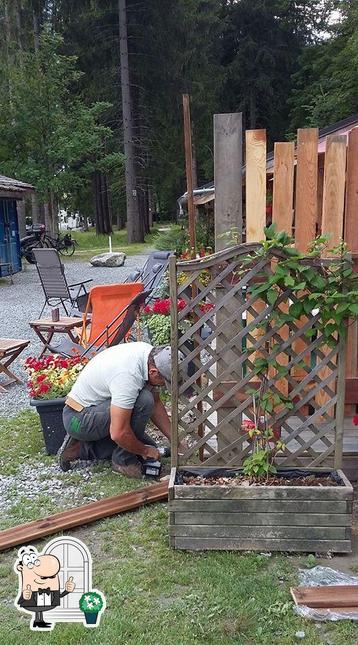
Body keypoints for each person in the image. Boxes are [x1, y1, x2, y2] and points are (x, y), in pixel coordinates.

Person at [59, 342, 185, 478]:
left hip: (93, 410)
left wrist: (175, 440)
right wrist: (144, 450)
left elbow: (156, 403)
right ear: (153, 372)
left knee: (150, 446)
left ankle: (79, 449)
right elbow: (118, 433)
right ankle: (123, 461)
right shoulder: (128, 376)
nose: (163, 386)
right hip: (78, 420)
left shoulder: (149, 356)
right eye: (164, 382)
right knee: (143, 401)